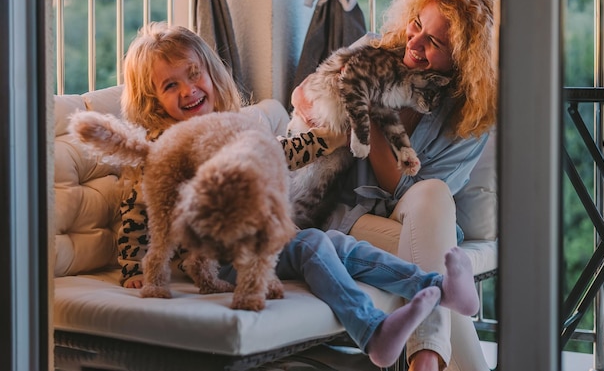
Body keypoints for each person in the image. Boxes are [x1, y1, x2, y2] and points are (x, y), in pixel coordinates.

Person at [115, 21, 480, 368]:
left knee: (335, 242)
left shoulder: (233, 124)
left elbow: (284, 152)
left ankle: (438, 286)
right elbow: (136, 207)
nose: (187, 90)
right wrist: (133, 264)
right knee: (312, 245)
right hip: (219, 255)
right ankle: (373, 332)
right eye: (170, 86)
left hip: (257, 238)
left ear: (210, 72)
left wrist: (329, 137)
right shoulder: (163, 145)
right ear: (152, 101)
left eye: (193, 74)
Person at [291, 0, 497, 371]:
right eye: (416, 25)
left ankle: (424, 361)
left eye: (434, 42)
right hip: (341, 216)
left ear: (465, 59)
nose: (414, 43)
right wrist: (326, 111)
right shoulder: (375, 50)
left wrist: (367, 108)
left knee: (433, 192)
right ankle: (426, 363)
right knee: (435, 258)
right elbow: (301, 94)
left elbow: (402, 186)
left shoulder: (470, 119)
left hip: (410, 217)